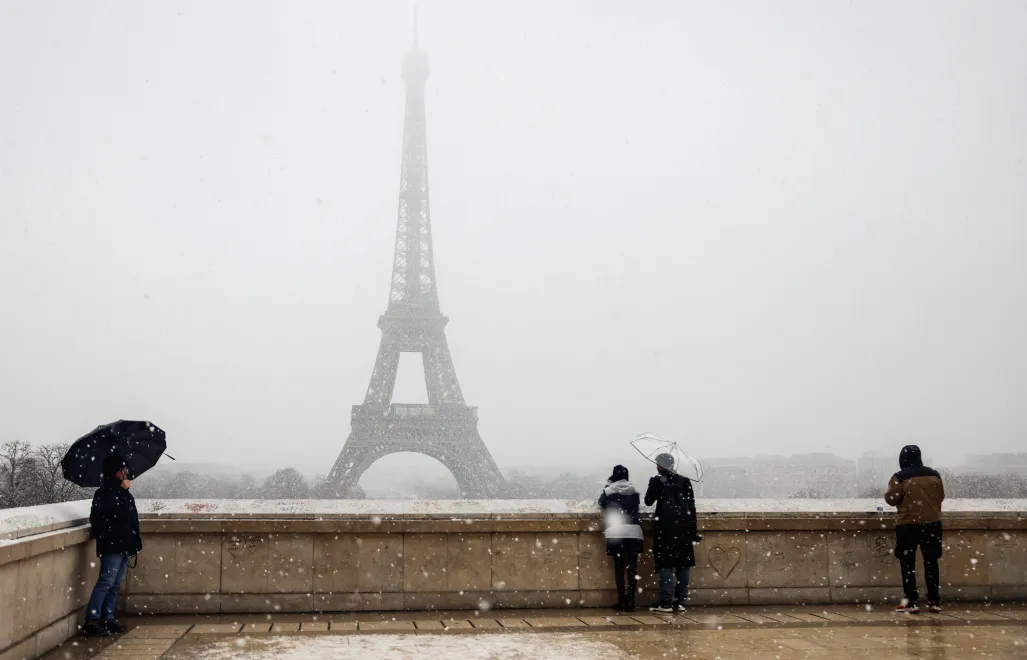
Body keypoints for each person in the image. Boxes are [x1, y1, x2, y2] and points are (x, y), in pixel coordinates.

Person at [81, 454, 142, 637]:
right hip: (113, 544)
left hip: (123, 544)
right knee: (106, 581)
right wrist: (122, 494)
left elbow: (131, 519)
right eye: (122, 470)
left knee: (115, 584)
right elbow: (103, 517)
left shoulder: (122, 492)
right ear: (114, 472)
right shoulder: (105, 493)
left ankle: (107, 617)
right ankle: (92, 620)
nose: (126, 473)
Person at [884, 444, 945, 614]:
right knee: (931, 562)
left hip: (908, 525)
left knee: (907, 564)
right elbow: (941, 497)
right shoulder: (934, 475)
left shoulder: (899, 477)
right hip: (932, 524)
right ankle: (934, 600)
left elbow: (891, 499)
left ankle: (911, 602)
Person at [644, 453, 699, 613]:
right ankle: (680, 601)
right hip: (684, 528)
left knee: (666, 564)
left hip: (665, 528)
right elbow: (692, 507)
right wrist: (692, 530)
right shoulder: (684, 481)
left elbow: (648, 501)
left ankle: (665, 602)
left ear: (661, 466)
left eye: (657, 464)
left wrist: (652, 484)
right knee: (683, 565)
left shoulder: (657, 481)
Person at [598, 464, 643, 612]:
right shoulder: (635, 491)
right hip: (634, 533)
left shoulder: (608, 490)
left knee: (619, 567)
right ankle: (631, 600)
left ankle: (621, 600)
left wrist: (608, 486)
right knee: (632, 569)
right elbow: (636, 506)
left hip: (616, 532)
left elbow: (601, 503)